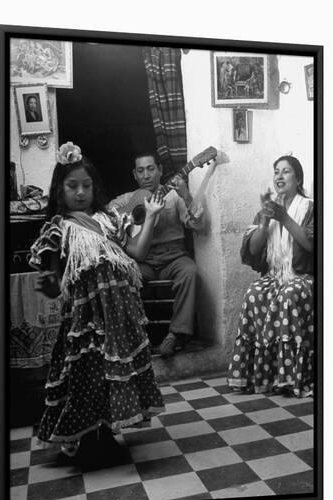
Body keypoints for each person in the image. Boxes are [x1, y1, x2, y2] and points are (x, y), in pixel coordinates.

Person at [29, 142, 165, 469]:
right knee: (85, 376)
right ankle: (85, 440)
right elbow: (50, 273)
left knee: (109, 377)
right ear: (59, 190)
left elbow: (136, 253)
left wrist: (152, 219)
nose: (80, 192)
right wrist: (50, 284)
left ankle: (104, 434)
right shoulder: (58, 227)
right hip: (84, 320)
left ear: (95, 187)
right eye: (72, 186)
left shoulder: (108, 219)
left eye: (86, 186)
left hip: (116, 318)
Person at [227, 155, 314, 397]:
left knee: (288, 294)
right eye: (276, 171)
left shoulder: (310, 208)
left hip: (304, 276)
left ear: (298, 179)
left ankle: (291, 378)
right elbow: (254, 250)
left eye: (286, 171)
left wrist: (284, 218)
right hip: (276, 275)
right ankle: (264, 375)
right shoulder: (267, 210)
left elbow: (311, 245)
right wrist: (266, 222)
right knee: (254, 292)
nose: (279, 176)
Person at [109, 152, 204, 358]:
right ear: (134, 174)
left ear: (160, 170)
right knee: (126, 277)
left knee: (190, 271)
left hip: (174, 257)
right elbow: (109, 215)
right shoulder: (127, 199)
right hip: (143, 260)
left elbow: (198, 226)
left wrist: (186, 195)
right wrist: (127, 217)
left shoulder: (175, 197)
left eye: (151, 169)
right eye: (141, 170)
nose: (146, 175)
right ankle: (136, 336)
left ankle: (175, 334)